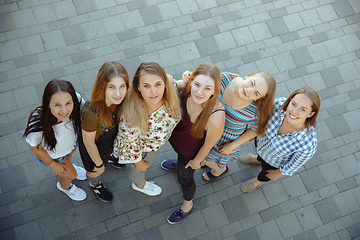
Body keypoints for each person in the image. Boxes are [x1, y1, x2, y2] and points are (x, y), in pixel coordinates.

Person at [169, 70, 276, 182]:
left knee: (208, 159)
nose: (249, 90)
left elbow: (255, 130)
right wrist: (190, 78)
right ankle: (192, 162)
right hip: (206, 127)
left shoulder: (256, 111)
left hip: (225, 139)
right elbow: (206, 85)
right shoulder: (225, 79)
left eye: (256, 93)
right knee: (197, 153)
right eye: (252, 83)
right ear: (247, 76)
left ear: (259, 98)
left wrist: (233, 145)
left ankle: (219, 170)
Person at [161, 63, 225, 224]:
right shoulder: (187, 88)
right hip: (177, 140)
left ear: (214, 91)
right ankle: (179, 163)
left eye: (207, 88)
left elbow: (208, 145)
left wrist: (196, 162)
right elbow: (167, 85)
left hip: (191, 153)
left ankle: (187, 206)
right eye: (197, 84)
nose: (199, 92)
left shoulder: (215, 115)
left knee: (184, 178)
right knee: (180, 162)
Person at [112, 62, 182, 196]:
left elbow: (178, 84)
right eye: (146, 86)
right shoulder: (132, 116)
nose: (154, 92)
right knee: (137, 170)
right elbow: (128, 143)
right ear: (138, 87)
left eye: (158, 84)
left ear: (165, 82)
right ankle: (139, 185)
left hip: (155, 143)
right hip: (143, 150)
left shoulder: (169, 91)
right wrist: (139, 162)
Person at [239, 87, 320, 192]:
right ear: (289, 101)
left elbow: (294, 164)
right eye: (294, 104)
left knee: (266, 173)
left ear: (311, 114)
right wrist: (254, 132)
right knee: (260, 156)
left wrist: (277, 173)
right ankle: (258, 159)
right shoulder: (278, 105)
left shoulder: (307, 144)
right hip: (261, 143)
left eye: (303, 109)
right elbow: (263, 119)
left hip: (273, 162)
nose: (294, 112)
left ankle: (258, 181)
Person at [23, 80, 87, 201]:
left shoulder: (77, 100)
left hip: (70, 145)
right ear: (48, 104)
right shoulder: (37, 127)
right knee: (71, 174)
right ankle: (65, 186)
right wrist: (54, 165)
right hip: (54, 156)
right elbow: (36, 149)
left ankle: (69, 165)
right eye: (57, 105)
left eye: (68, 103)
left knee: (69, 159)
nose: (64, 111)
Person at [78, 61, 129, 202]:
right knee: (94, 171)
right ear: (102, 87)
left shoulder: (122, 100)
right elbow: (88, 143)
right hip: (94, 149)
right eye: (111, 87)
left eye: (122, 86)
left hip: (109, 142)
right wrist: (99, 165)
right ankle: (95, 184)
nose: (118, 94)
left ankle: (110, 158)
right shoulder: (90, 112)